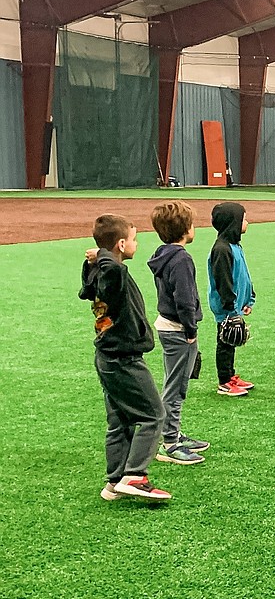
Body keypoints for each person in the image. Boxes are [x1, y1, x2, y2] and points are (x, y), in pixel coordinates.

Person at [79, 214, 171, 501]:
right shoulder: (113, 273)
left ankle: (115, 481)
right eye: (133, 239)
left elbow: (88, 285)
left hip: (108, 357)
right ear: (121, 244)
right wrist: (105, 255)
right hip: (123, 358)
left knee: (120, 420)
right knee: (154, 415)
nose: (137, 244)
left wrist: (96, 259)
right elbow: (115, 271)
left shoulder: (99, 273)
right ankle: (135, 476)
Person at [147, 201, 209, 466]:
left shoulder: (164, 254)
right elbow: (184, 298)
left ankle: (174, 433)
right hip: (179, 330)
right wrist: (191, 329)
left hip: (167, 326)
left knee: (175, 382)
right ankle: (170, 442)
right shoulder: (182, 258)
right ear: (185, 229)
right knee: (176, 386)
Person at [207, 202, 255, 397]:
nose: (247, 222)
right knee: (225, 342)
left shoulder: (234, 245)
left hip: (235, 305)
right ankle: (224, 382)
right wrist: (230, 307)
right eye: (243, 219)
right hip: (226, 307)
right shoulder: (222, 249)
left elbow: (242, 274)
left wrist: (249, 298)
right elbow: (223, 281)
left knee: (231, 341)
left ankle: (231, 375)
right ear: (233, 222)